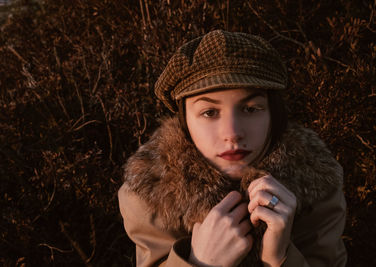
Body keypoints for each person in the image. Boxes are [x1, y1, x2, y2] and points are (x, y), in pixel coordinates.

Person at [118, 30, 347, 267]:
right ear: (185, 120)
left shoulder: (316, 185)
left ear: (273, 113)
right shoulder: (150, 198)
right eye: (209, 112)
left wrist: (279, 258)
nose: (232, 133)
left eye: (250, 109)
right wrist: (201, 262)